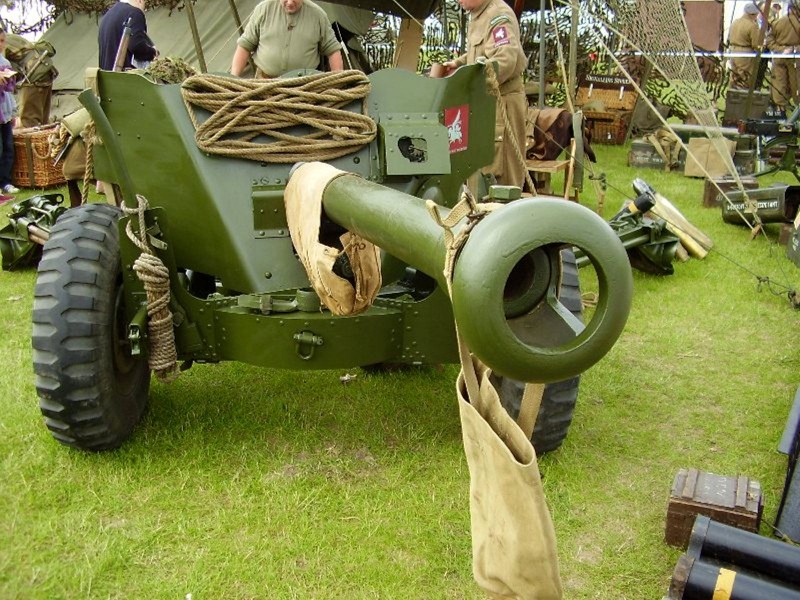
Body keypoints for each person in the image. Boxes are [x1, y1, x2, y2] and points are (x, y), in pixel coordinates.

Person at [441, 0, 527, 189]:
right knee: (479, 173)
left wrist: (467, 80)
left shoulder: (497, 15)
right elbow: (483, 52)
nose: (458, 0)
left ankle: (504, 216)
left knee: (500, 175)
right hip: (485, 103)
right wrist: (459, 64)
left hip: (500, 104)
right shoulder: (480, 14)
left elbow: (505, 59)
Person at [230, 0, 343, 78]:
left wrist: (338, 81)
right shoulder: (263, 10)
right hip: (264, 83)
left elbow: (333, 50)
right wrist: (233, 78)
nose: (289, 3)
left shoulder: (318, 15)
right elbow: (244, 45)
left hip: (304, 87)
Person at [98, 0, 158, 71]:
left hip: (107, 76)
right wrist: (152, 52)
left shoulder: (108, 16)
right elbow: (136, 45)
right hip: (124, 77)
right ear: (140, 1)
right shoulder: (134, 13)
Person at [767, 0, 800, 114]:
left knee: (779, 83)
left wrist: (781, 50)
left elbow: (769, 41)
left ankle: (780, 110)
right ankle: (796, 109)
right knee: (796, 84)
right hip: (795, 59)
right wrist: (794, 49)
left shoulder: (777, 23)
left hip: (780, 57)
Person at [0, 27, 18, 202]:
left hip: (4, 111)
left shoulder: (4, 60)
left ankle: (5, 181)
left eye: (2, 41)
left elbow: (9, 91)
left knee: (8, 147)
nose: (1, 44)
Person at [728, 3, 762, 89]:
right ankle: (742, 99)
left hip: (733, 51)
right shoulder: (752, 25)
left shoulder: (735, 22)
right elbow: (756, 44)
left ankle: (732, 97)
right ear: (754, 14)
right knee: (744, 78)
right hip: (745, 53)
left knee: (734, 77)